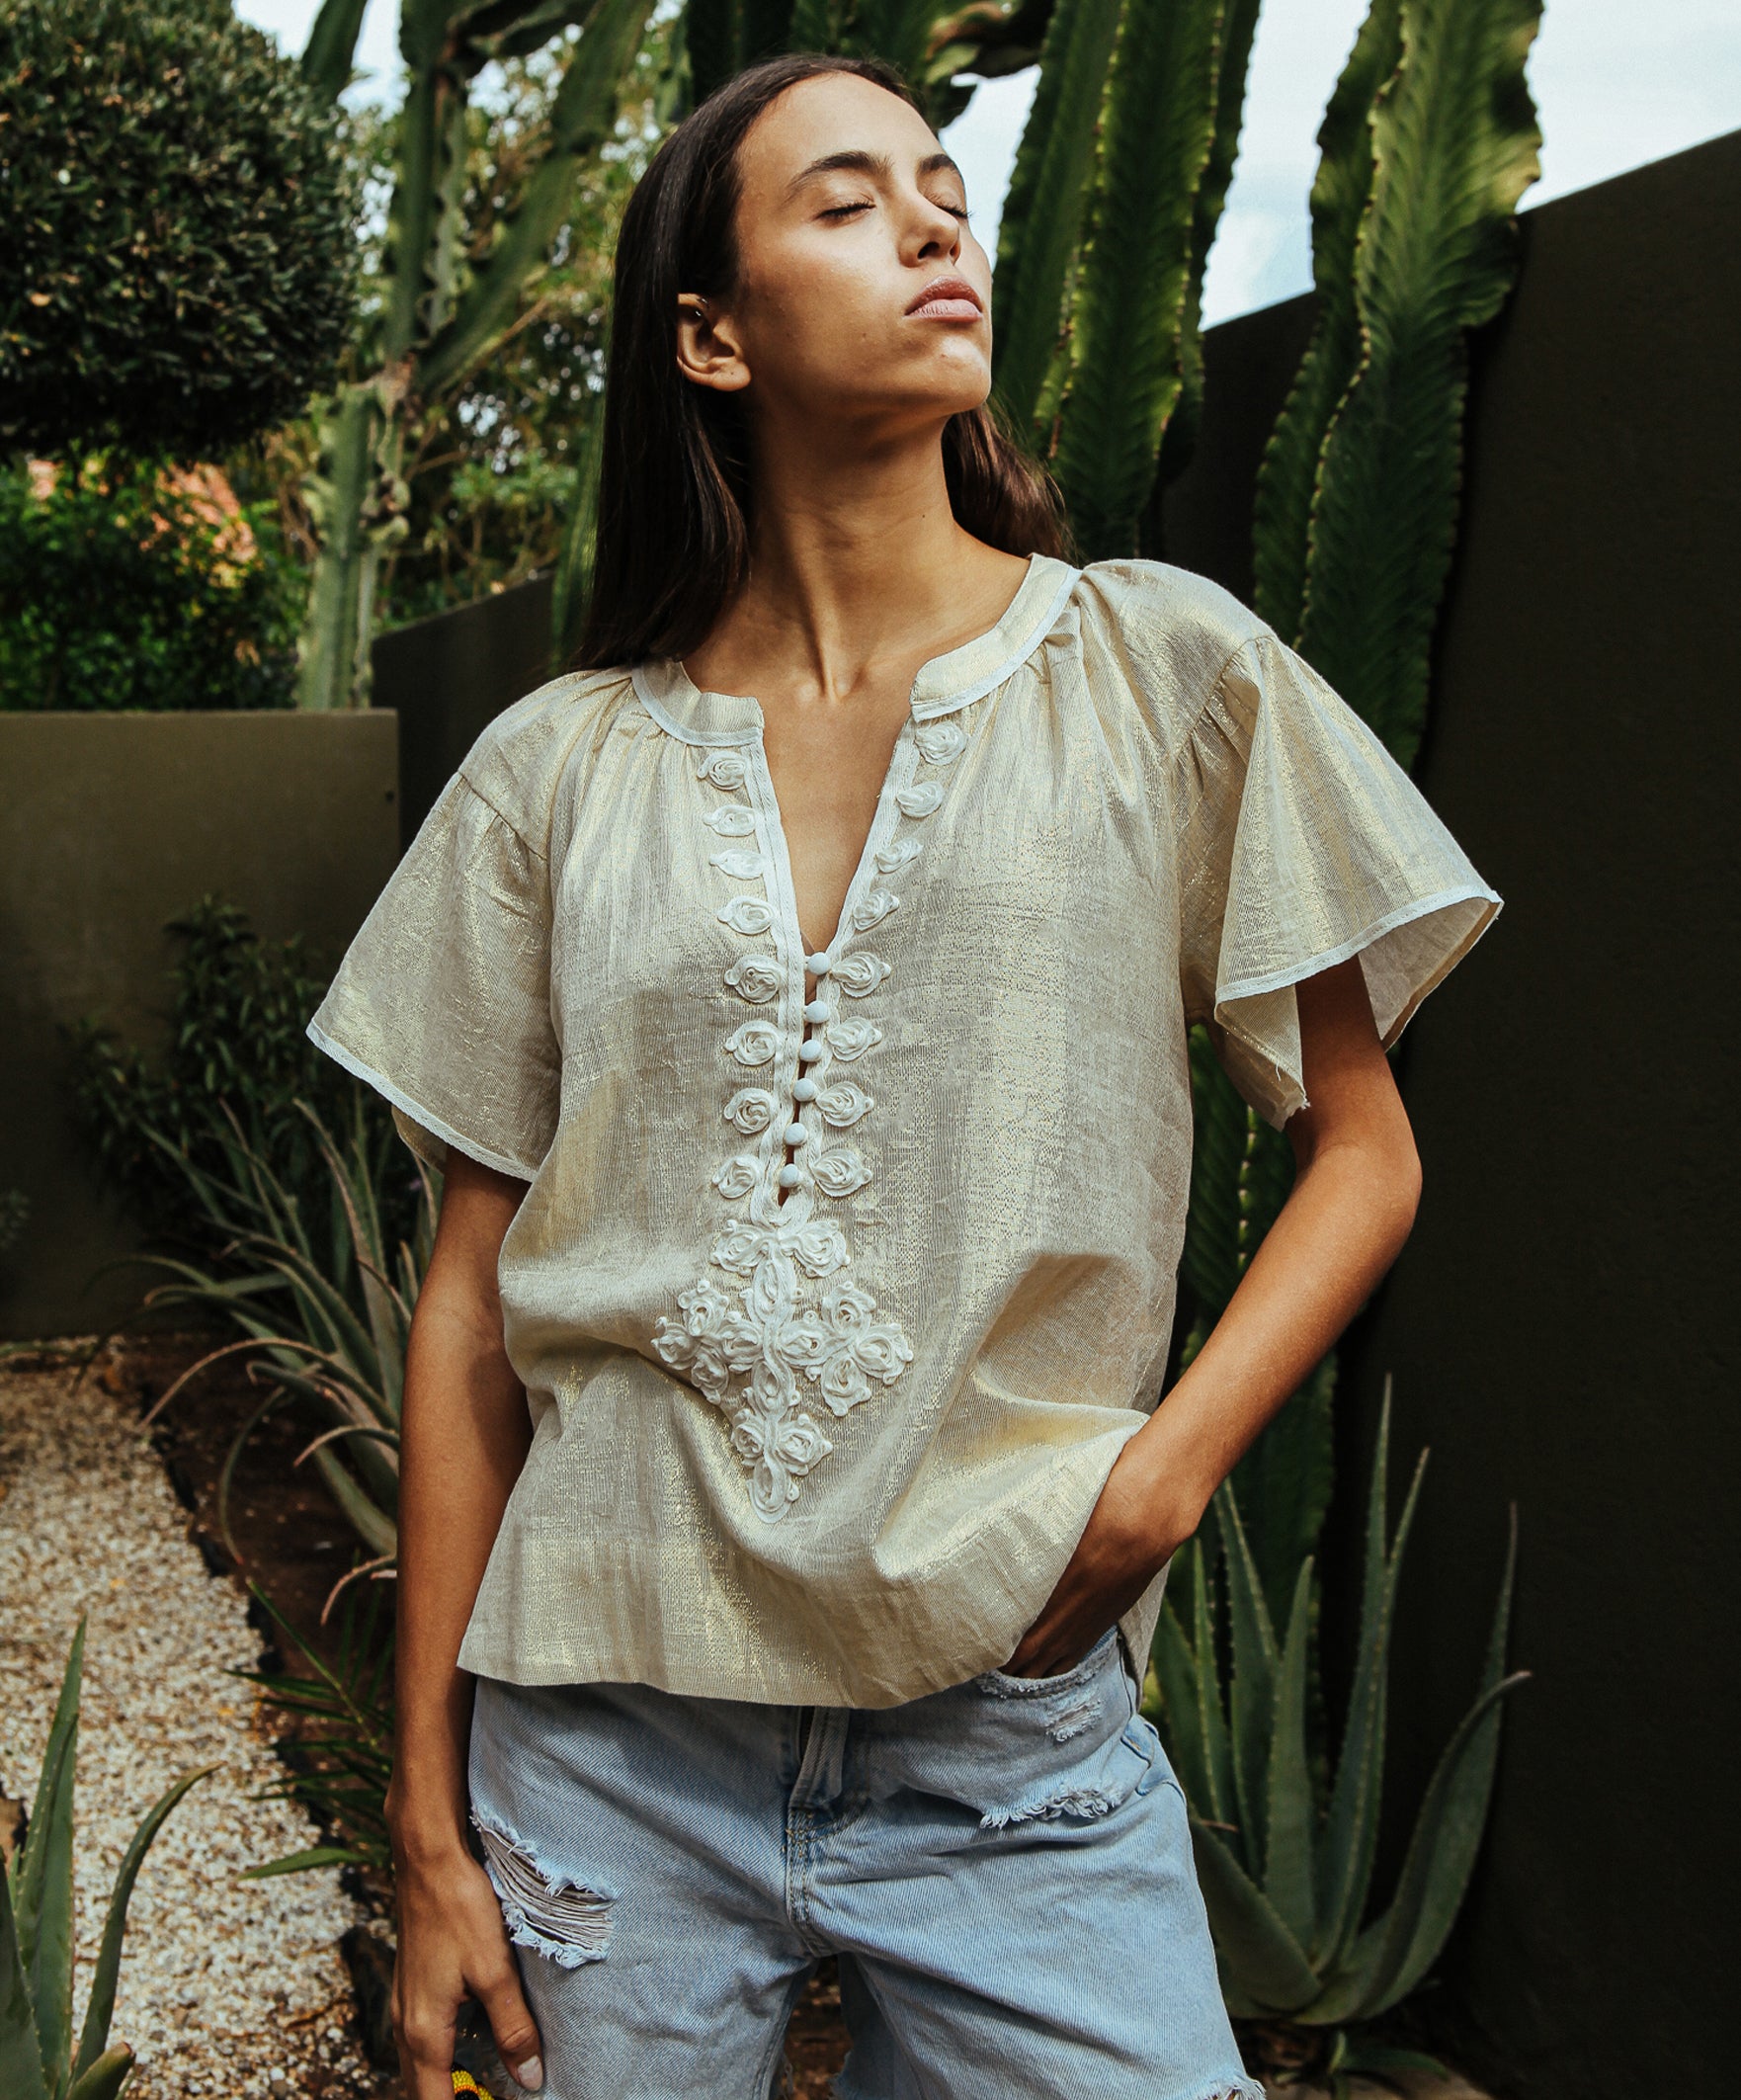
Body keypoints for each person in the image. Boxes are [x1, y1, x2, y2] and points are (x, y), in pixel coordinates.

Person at [308, 49, 1501, 2100]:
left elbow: (1362, 1150)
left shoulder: (1163, 671)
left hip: (1005, 1733)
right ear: (710, 333)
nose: (934, 226)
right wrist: (428, 1829)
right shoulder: (555, 771)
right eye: (846, 202)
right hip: (605, 1740)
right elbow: (466, 1307)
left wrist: (1162, 1476)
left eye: (942, 189)